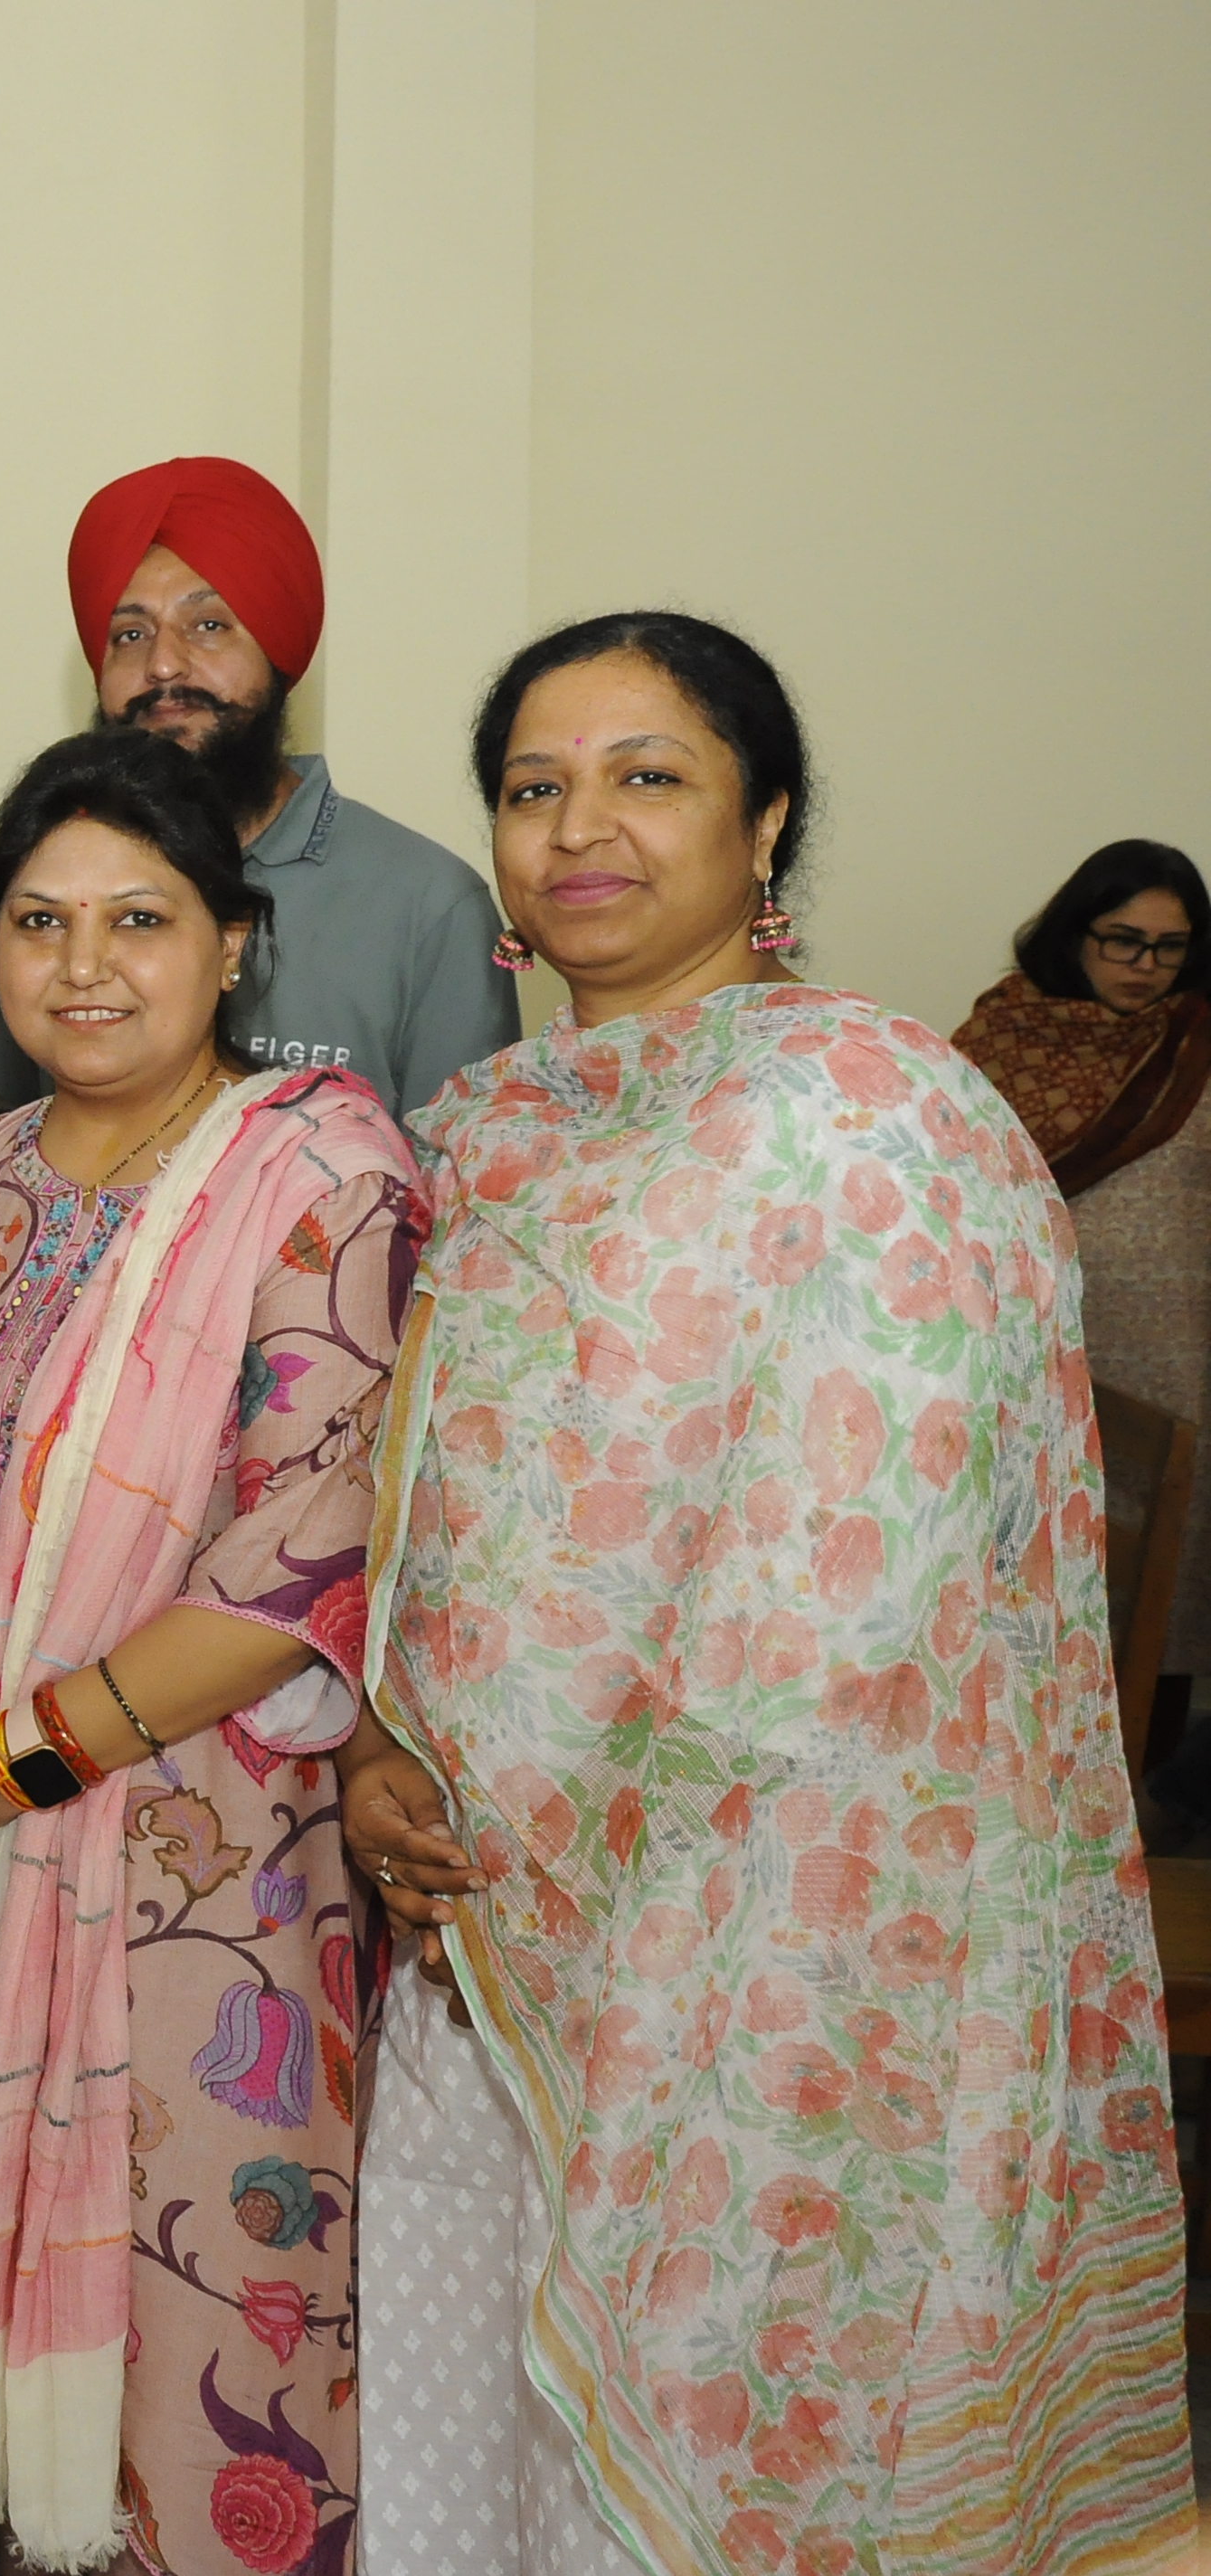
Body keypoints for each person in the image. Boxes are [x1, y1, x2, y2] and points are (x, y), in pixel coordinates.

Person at [347, 613, 1194, 2574]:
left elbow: (887, 1593)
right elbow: (418, 1505)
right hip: (481, 1931)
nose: (579, 827)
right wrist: (376, 1746)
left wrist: (575, 1808)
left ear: (766, 823)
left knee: (729, 2422)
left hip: (781, 1940)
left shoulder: (880, 1120)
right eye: (534, 785)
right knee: (476, 2416)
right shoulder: (482, 1132)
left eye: (645, 776)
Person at [0, 725, 422, 2571]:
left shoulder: (322, 1170)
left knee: (199, 2322)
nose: (81, 963)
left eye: (137, 918)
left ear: (232, 939)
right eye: (37, 918)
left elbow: (295, 1561)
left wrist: (5, 1758)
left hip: (195, 1852)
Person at [0, 456, 520, 1125]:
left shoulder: (427, 904)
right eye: (130, 634)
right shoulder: (44, 886)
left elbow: (465, 1173)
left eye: (208, 625)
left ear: (277, 652)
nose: (163, 665)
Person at [953, 838, 1211, 1673]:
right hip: (1027, 1348)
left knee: (1162, 1586)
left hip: (1172, 1360)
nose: (1146, 967)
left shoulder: (1195, 1046)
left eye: (1169, 948)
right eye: (1124, 940)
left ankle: (1151, 1744)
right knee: (1029, 1578)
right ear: (1076, 934)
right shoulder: (1006, 1032)